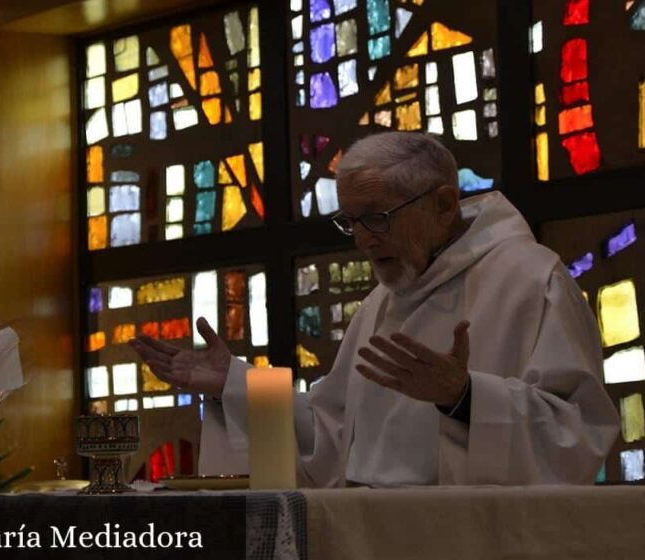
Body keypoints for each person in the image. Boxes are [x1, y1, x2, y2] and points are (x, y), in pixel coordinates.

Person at [131, 132, 619, 486]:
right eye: (351, 222)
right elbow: (330, 430)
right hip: (369, 536)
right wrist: (234, 383)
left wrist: (465, 398)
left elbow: (580, 432)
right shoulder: (382, 304)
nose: (363, 240)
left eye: (377, 218)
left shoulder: (533, 280)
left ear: (445, 205)